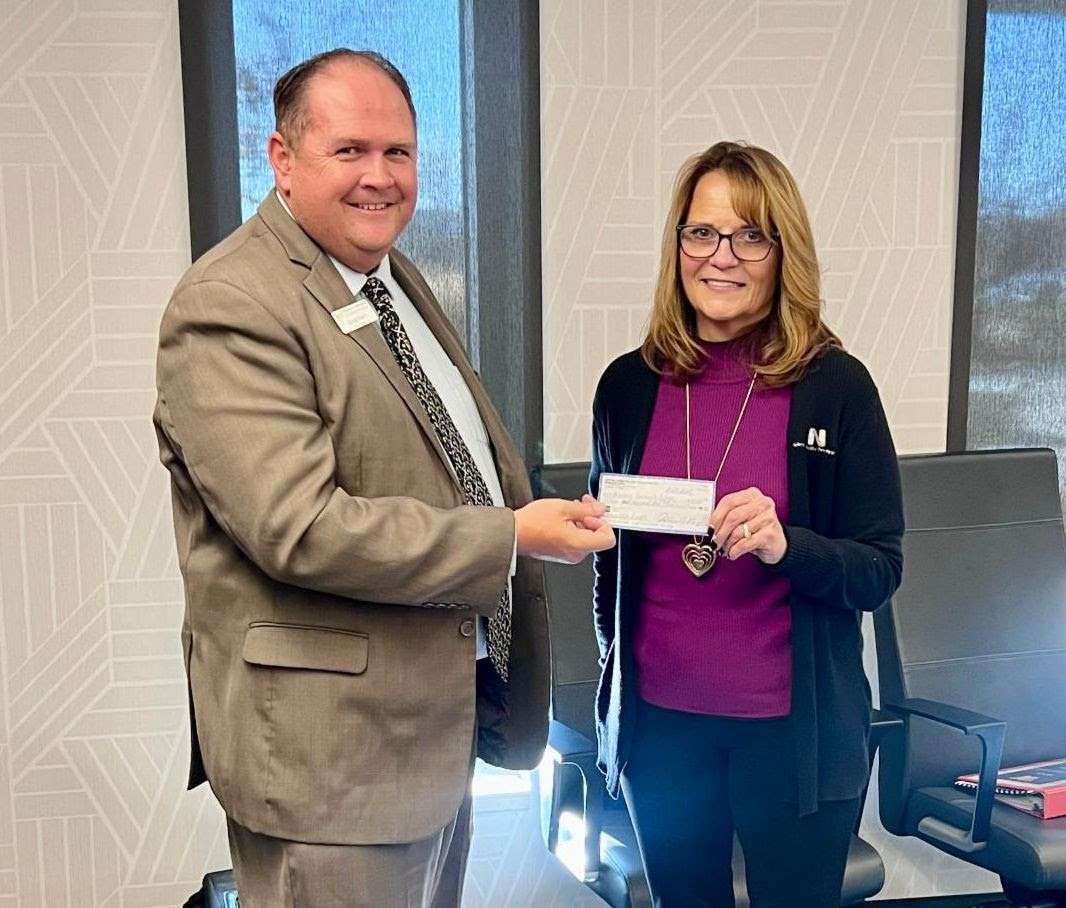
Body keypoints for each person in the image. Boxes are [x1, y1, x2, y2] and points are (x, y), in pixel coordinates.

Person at [154, 49, 613, 907]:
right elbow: (302, 527)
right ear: (281, 160)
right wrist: (512, 536)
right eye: (351, 151)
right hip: (332, 773)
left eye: (398, 152)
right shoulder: (231, 303)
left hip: (423, 742)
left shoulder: (387, 278)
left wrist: (529, 512)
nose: (381, 177)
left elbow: (438, 457)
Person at [587, 141, 904, 907]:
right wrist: (615, 674)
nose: (720, 256)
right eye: (701, 233)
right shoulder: (628, 387)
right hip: (661, 736)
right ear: (677, 246)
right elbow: (612, 563)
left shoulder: (837, 387)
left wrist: (785, 545)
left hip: (793, 741)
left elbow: (878, 568)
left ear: (781, 250)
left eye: (749, 235)